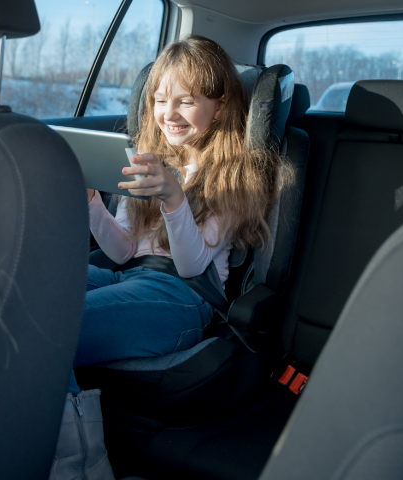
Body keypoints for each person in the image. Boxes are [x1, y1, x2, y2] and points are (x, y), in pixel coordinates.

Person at [49, 36, 284, 480]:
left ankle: (82, 468)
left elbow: (192, 266)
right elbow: (122, 251)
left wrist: (174, 199)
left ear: (220, 105)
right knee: (24, 297)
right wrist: (91, 203)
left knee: (49, 333)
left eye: (186, 101)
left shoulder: (233, 175)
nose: (168, 113)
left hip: (181, 295)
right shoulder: (147, 159)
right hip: (124, 277)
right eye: (159, 100)